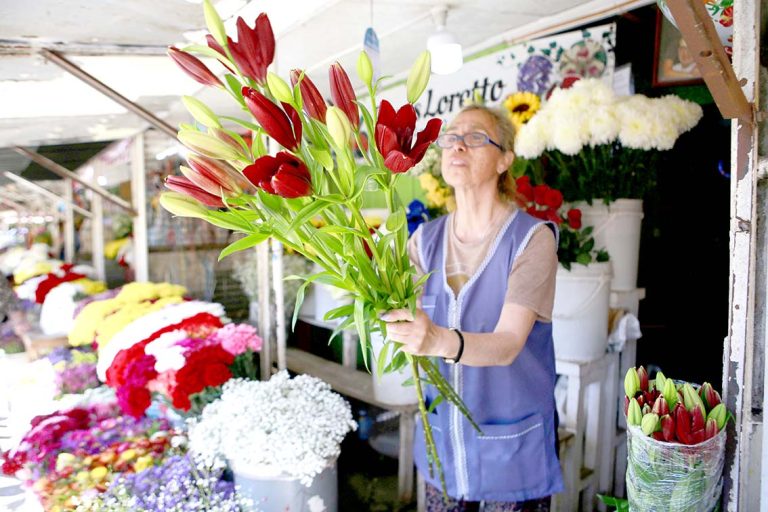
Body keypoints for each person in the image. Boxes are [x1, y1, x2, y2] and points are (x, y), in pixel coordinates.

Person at [383, 104, 563, 511]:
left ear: (504, 159)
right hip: (443, 445)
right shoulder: (422, 243)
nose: (458, 144)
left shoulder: (532, 240)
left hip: (511, 452)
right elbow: (407, 321)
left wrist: (437, 339)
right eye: (451, 137)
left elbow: (507, 344)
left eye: (476, 136)